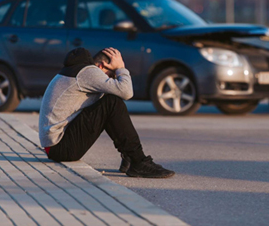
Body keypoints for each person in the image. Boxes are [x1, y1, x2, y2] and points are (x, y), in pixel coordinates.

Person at [38, 47, 175, 178]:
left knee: (108, 100)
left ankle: (129, 157)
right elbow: (127, 92)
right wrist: (121, 68)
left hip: (56, 146)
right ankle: (138, 161)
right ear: (101, 66)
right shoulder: (89, 72)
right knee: (111, 102)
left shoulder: (77, 71)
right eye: (111, 75)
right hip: (60, 148)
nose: (111, 79)